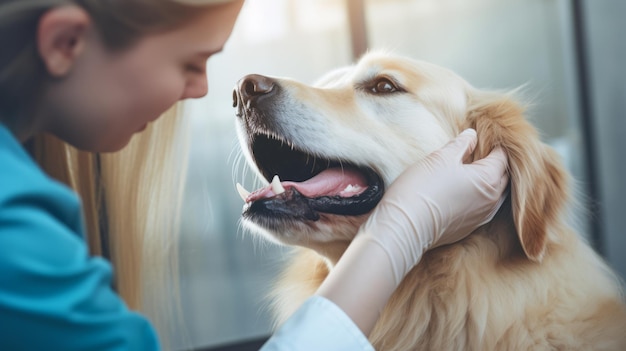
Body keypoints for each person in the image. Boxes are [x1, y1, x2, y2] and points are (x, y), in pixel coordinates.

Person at [0, 0, 509, 350]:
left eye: (381, 87)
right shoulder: (10, 224)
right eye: (191, 61)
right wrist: (404, 225)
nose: (202, 90)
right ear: (65, 43)